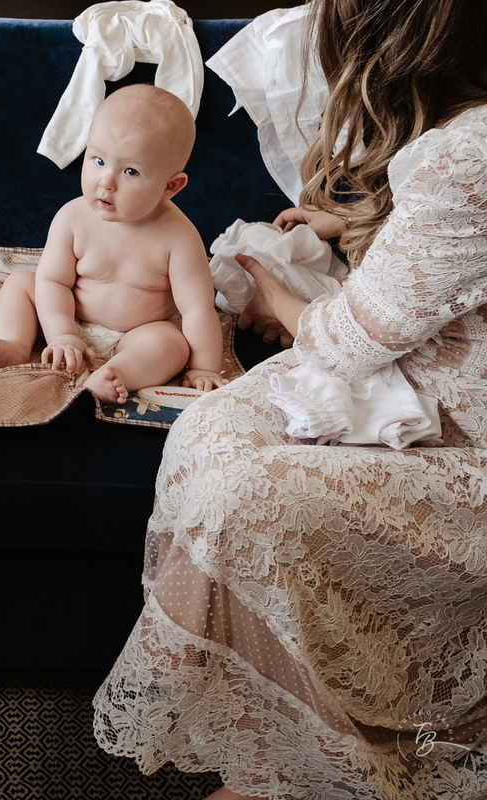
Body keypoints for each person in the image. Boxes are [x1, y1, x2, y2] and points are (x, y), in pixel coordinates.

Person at [91, 1, 487, 798]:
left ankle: (319, 764)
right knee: (210, 430)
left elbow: (348, 338)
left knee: (249, 498)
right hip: (424, 378)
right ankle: (274, 742)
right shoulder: (455, 145)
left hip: (464, 435)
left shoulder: (469, 159)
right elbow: (446, 257)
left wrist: (269, 288)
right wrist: (362, 225)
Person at [0, 83, 227, 404]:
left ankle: (114, 374)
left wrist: (204, 367)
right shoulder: (73, 217)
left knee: (171, 343)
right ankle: (13, 345)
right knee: (21, 284)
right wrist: (63, 334)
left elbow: (198, 310)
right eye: (98, 160)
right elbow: (53, 281)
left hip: (136, 333)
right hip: (66, 313)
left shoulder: (180, 238)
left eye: (131, 171)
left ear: (171, 186)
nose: (106, 182)